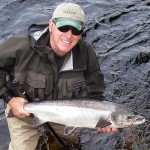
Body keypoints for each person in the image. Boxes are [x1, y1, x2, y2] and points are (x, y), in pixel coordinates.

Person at [0, 2, 118, 150]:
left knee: (69, 144)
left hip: (65, 116)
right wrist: (9, 99)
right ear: (51, 25)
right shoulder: (21, 46)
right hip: (23, 112)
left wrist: (101, 120)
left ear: (81, 32)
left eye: (75, 30)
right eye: (63, 27)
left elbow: (95, 92)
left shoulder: (86, 53)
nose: (68, 35)